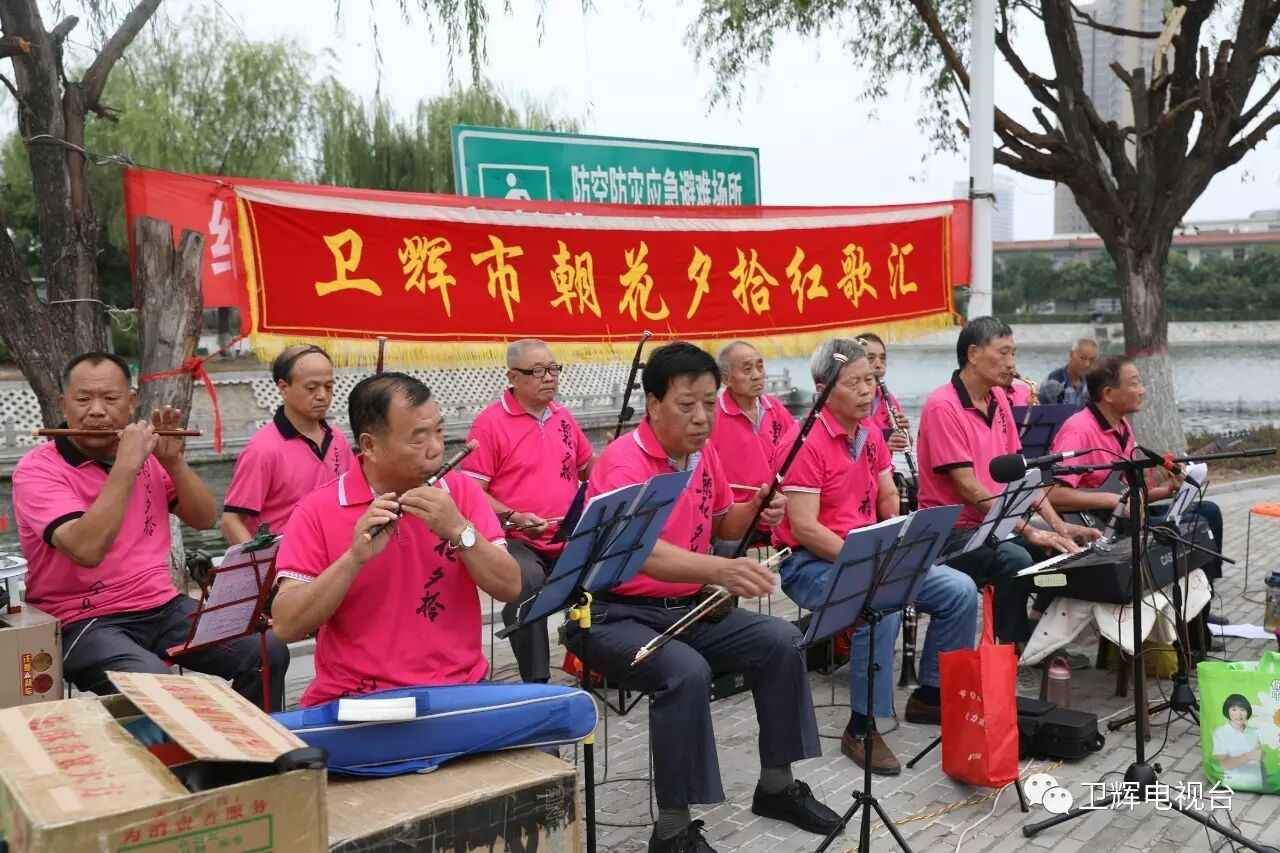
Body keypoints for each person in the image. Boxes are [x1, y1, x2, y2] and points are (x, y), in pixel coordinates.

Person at [564, 342, 840, 852]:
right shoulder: (624, 463)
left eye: (710, 403)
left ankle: (777, 786)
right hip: (615, 614)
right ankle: (671, 831)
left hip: (688, 608)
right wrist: (722, 569)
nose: (701, 417)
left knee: (782, 640)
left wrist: (758, 507)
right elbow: (641, 554)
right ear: (653, 404)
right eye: (686, 404)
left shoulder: (701, 454)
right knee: (685, 672)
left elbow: (724, 524)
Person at [12, 352, 287, 708]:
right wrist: (126, 465)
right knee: (156, 685)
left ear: (131, 402)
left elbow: (204, 518)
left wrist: (173, 461)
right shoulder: (38, 470)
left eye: (110, 398)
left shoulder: (148, 459)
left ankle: (245, 742)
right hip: (82, 619)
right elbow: (86, 550)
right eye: (83, 399)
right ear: (64, 404)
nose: (97, 411)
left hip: (162, 604)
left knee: (266, 649)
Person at [774, 338, 977, 776]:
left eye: (870, 379)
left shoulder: (868, 433)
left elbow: (886, 494)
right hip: (811, 562)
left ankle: (930, 695)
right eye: (854, 383)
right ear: (823, 390)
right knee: (880, 603)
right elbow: (805, 528)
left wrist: (902, 537)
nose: (868, 390)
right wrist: (871, 563)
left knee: (959, 589)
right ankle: (862, 727)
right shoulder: (804, 441)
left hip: (873, 553)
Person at [270, 373, 520, 706]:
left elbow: (510, 587)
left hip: (459, 689)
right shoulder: (316, 510)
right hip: (358, 701)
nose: (436, 449)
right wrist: (353, 559)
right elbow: (286, 626)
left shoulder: (460, 492)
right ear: (370, 445)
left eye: (439, 432)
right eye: (419, 438)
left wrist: (460, 530)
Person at [915, 317, 1097, 643]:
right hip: (951, 532)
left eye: (1013, 353)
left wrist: (1058, 526)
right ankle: (1011, 649)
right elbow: (969, 488)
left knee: (1064, 552)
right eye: (1003, 353)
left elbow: (1022, 475)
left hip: (993, 526)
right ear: (973, 354)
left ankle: (1041, 638)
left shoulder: (998, 399)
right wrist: (1028, 530)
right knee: (1016, 559)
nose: (1012, 363)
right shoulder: (943, 406)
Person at [1042, 355, 1226, 639]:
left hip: (1127, 519)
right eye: (1135, 383)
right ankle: (1191, 627)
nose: (1143, 390)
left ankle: (1200, 605)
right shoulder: (1079, 430)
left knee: (1208, 512)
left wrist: (1166, 491)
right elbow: (1051, 494)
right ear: (1108, 393)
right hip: (1101, 529)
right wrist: (1109, 501)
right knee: (1187, 529)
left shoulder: (1122, 427)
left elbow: (1127, 493)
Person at [463, 339, 595, 684]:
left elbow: (589, 469)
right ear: (512, 377)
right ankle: (537, 683)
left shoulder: (562, 417)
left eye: (553, 369)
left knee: (613, 562)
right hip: (516, 537)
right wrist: (514, 517)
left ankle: (600, 663)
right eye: (537, 371)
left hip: (567, 534)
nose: (549, 377)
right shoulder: (489, 424)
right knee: (526, 579)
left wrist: (618, 460)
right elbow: (472, 492)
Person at [221, 345, 356, 544]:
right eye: (312, 388)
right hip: (285, 557)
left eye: (328, 386)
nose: (322, 395)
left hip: (336, 553)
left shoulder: (338, 439)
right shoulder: (262, 451)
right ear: (284, 388)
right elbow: (231, 521)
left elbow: (355, 494)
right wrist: (260, 559)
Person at [707, 340, 796, 553]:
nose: (757, 375)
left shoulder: (775, 407)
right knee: (729, 547)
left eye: (760, 366)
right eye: (747, 369)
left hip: (778, 508)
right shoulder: (713, 416)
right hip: (734, 515)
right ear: (726, 378)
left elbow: (797, 452)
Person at [854, 332, 911, 453]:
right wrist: (883, 448)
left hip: (885, 466)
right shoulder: (847, 400)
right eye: (871, 358)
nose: (879, 365)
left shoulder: (889, 400)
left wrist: (905, 434)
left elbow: (907, 442)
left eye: (882, 358)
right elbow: (850, 452)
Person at [1212, 695, 1265, 791]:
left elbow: (1259, 763)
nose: (1239, 714)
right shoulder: (1220, 732)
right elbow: (1222, 765)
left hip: (1257, 784)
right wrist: (1248, 756)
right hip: (1233, 784)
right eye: (1234, 709)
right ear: (1227, 711)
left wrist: (1265, 784)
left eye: (1242, 710)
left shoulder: (1254, 732)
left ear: (1247, 712)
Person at [1038, 338, 1098, 409]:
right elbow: (1059, 413)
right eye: (1082, 358)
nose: (1087, 364)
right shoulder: (1055, 382)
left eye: (1092, 360)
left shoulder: (1090, 381)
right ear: (1071, 354)